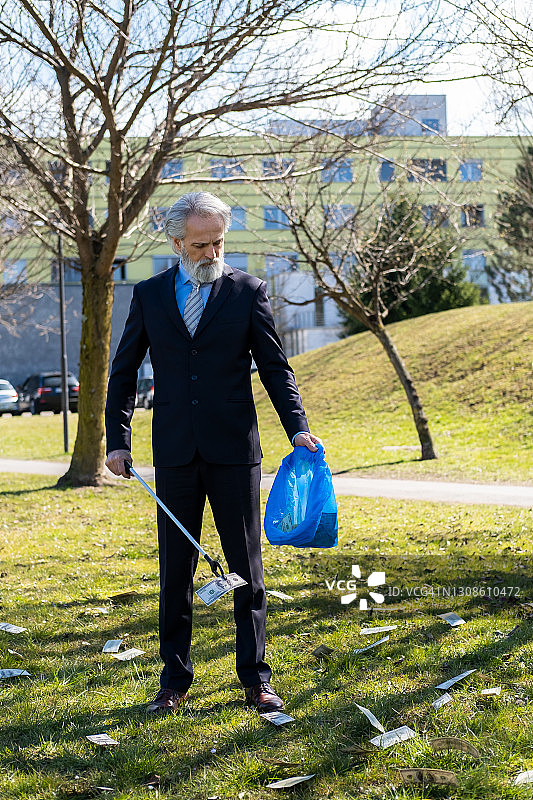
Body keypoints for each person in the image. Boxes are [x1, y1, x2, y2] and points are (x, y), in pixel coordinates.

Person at [105, 191, 321, 715]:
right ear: (177, 243)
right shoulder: (150, 294)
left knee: (246, 568)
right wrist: (117, 439)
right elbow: (125, 369)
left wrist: (297, 429)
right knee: (175, 573)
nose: (210, 253)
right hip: (175, 453)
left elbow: (275, 367)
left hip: (234, 451)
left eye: (218, 243)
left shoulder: (248, 291)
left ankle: (256, 679)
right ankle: (174, 683)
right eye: (200, 245)